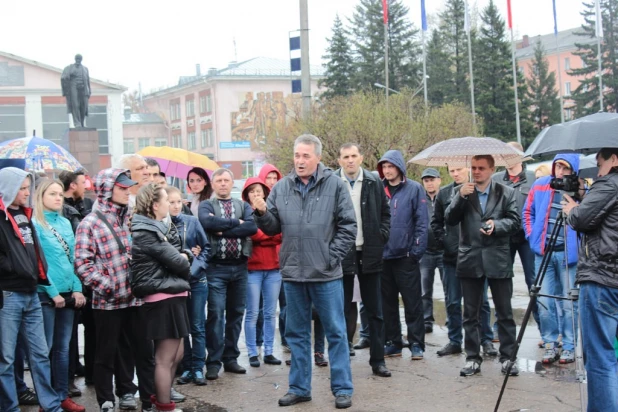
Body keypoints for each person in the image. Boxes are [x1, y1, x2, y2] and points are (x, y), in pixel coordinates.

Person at [254, 134, 356, 409]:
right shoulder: (282, 187)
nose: (299, 161)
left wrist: (330, 257)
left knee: (336, 332)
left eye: (305, 156)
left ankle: (343, 388)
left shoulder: (335, 185)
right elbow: (273, 227)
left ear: (318, 158)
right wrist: (262, 212)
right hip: (293, 275)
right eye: (297, 155)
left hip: (325, 275)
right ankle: (299, 388)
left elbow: (348, 226)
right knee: (296, 335)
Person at [74, 168, 155, 412]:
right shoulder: (90, 223)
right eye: (121, 187)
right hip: (107, 302)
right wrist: (109, 286)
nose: (127, 191)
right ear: (106, 190)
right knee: (106, 354)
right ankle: (106, 400)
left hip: (136, 299)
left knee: (143, 352)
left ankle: (146, 398)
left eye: (128, 186)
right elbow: (82, 264)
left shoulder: (133, 216)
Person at [445, 155, 520, 377]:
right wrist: (459, 196)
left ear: (491, 169)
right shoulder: (463, 192)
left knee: (504, 312)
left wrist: (496, 225)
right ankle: (472, 358)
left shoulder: (506, 192)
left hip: (498, 258)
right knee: (470, 313)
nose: (476, 172)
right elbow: (449, 218)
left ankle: (508, 358)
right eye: (474, 168)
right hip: (470, 258)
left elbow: (515, 221)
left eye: (481, 168)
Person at [0, 167, 63, 412]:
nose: (27, 193)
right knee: (5, 359)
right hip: (9, 294)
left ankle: (50, 405)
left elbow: (34, 251)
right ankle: (9, 407)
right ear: (8, 189)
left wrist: (38, 273)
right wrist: (15, 268)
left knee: (39, 355)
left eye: (28, 187)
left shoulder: (25, 214)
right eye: (22, 188)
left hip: (31, 293)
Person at [562, 147, 618, 412]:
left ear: (614, 159)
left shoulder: (609, 183)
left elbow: (582, 219)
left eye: (600, 164)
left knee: (600, 358)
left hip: (603, 279)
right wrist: (587, 196)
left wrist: (573, 208)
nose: (598, 171)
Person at [130, 183, 193, 412]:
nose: (170, 204)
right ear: (155, 205)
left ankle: (163, 401)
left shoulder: (159, 228)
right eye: (167, 200)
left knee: (178, 355)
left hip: (172, 295)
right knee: (164, 359)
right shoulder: (147, 232)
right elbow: (179, 262)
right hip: (161, 299)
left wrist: (184, 257)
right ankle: (164, 406)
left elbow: (181, 257)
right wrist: (185, 257)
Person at [337, 143, 391, 377]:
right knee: (343, 310)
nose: (350, 160)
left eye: (354, 156)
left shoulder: (373, 181)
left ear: (361, 158)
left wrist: (381, 236)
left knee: (374, 311)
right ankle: (342, 359)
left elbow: (385, 213)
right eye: (345, 157)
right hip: (343, 254)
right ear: (339, 160)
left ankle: (378, 361)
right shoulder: (332, 183)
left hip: (369, 253)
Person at [32, 180, 86, 412]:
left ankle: (62, 395)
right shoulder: (35, 224)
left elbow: (74, 257)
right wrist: (53, 293)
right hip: (46, 295)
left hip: (68, 294)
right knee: (45, 349)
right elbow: (37, 263)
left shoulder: (65, 222)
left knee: (63, 349)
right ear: (40, 196)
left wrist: (77, 288)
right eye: (52, 194)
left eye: (60, 194)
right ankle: (47, 400)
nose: (58, 198)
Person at [199, 168, 257, 380]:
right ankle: (213, 361)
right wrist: (237, 224)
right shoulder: (206, 205)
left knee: (236, 314)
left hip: (240, 268)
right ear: (213, 184)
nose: (223, 184)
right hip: (216, 269)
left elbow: (251, 228)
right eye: (219, 180)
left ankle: (230, 358)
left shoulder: (243, 205)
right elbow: (207, 222)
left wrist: (224, 228)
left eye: (226, 180)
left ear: (233, 183)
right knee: (215, 314)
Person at [522, 154, 581, 364]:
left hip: (568, 256)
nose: (561, 172)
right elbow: (527, 212)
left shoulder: (580, 189)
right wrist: (532, 236)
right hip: (543, 253)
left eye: (566, 168)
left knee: (568, 304)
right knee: (545, 301)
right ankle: (549, 343)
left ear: (573, 170)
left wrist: (578, 197)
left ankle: (569, 345)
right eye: (558, 167)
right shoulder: (540, 185)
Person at [432, 165, 495, 357]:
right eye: (452, 170)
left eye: (459, 169)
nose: (455, 173)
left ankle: (486, 340)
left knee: (481, 302)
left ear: (467, 169)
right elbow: (436, 222)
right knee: (452, 301)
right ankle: (454, 340)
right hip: (452, 258)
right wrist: (445, 241)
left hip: (477, 255)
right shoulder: (444, 194)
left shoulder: (482, 191)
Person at [377, 150, 429, 360]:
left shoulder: (415, 189)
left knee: (412, 303)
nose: (388, 171)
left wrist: (416, 251)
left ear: (399, 167)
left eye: (391, 166)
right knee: (387, 304)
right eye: (384, 167)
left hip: (406, 256)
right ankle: (394, 342)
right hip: (383, 258)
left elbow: (422, 223)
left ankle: (416, 343)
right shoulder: (378, 190)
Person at [491, 142, 538, 341]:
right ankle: (498, 327)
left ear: (520, 156)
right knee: (502, 283)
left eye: (512, 155)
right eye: (505, 155)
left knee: (533, 283)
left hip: (527, 237)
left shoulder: (533, 179)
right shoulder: (496, 180)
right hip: (503, 237)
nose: (508, 159)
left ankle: (545, 328)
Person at [167, 186, 211, 387]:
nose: (175, 206)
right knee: (182, 328)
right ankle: (186, 367)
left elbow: (206, 248)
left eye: (178, 202)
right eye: (171, 202)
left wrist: (196, 267)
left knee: (197, 325)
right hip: (176, 284)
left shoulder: (192, 222)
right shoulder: (162, 226)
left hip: (197, 281)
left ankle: (197, 367)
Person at [58, 168, 93, 393]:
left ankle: (87, 370)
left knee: (89, 328)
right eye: (82, 182)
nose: (85, 186)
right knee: (67, 335)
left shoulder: (86, 205)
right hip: (67, 282)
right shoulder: (65, 213)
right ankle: (67, 378)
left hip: (82, 280)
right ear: (72, 185)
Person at [242, 177, 282, 367]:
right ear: (246, 195)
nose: (256, 194)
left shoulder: (273, 211)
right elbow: (252, 232)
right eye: (252, 191)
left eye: (259, 190)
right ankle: (251, 352)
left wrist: (265, 236)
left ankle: (268, 351)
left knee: (269, 313)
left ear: (265, 192)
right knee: (252, 314)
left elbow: (279, 234)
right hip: (252, 270)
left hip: (274, 269)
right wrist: (269, 236)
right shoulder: (245, 212)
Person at [257, 164, 285, 351]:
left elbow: (283, 233)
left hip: (281, 261)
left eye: (275, 178)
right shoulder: (255, 204)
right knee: (258, 308)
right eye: (269, 178)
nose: (272, 182)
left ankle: (286, 338)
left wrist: (270, 236)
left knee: (285, 305)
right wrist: (271, 237)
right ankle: (258, 342)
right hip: (258, 263)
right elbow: (254, 233)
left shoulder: (282, 200)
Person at [419, 168, 443, 334]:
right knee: (424, 289)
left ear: (439, 180)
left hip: (444, 250)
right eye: (426, 180)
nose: (429, 183)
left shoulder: (446, 196)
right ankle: (426, 321)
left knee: (450, 290)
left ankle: (453, 322)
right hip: (425, 251)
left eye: (432, 179)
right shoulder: (420, 199)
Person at [60, 54, 90, 128]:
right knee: (75, 105)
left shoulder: (85, 69)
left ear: (81, 60)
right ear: (75, 59)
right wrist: (68, 75)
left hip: (83, 88)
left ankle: (82, 123)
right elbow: (63, 77)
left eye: (79, 59)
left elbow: (88, 81)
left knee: (83, 106)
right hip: (74, 87)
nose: (78, 60)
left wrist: (89, 91)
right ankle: (77, 123)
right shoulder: (69, 68)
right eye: (77, 58)